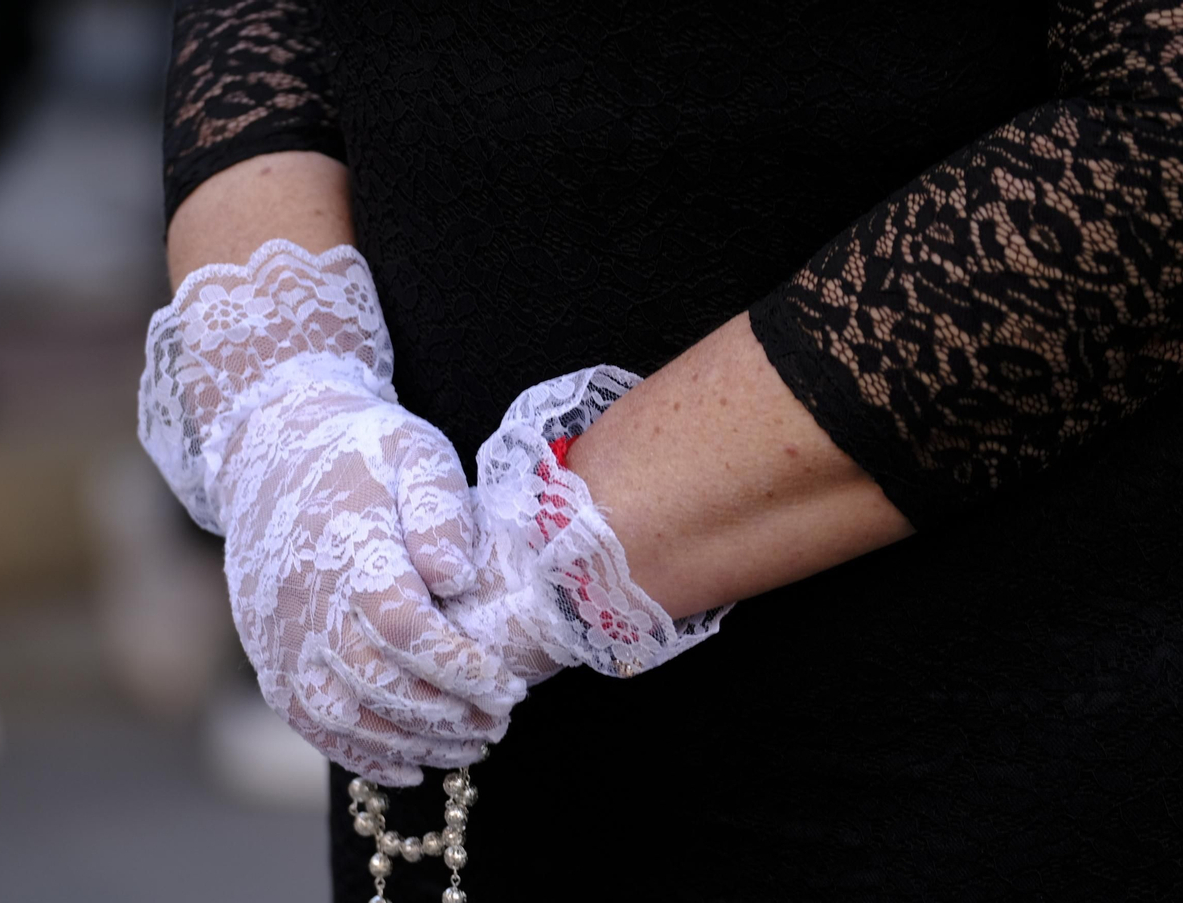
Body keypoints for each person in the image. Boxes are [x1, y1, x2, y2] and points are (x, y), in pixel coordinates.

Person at [146, 0, 1183, 899]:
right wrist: (285, 385)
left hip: (969, 712)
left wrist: (554, 548)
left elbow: (1161, 132)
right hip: (470, 734)